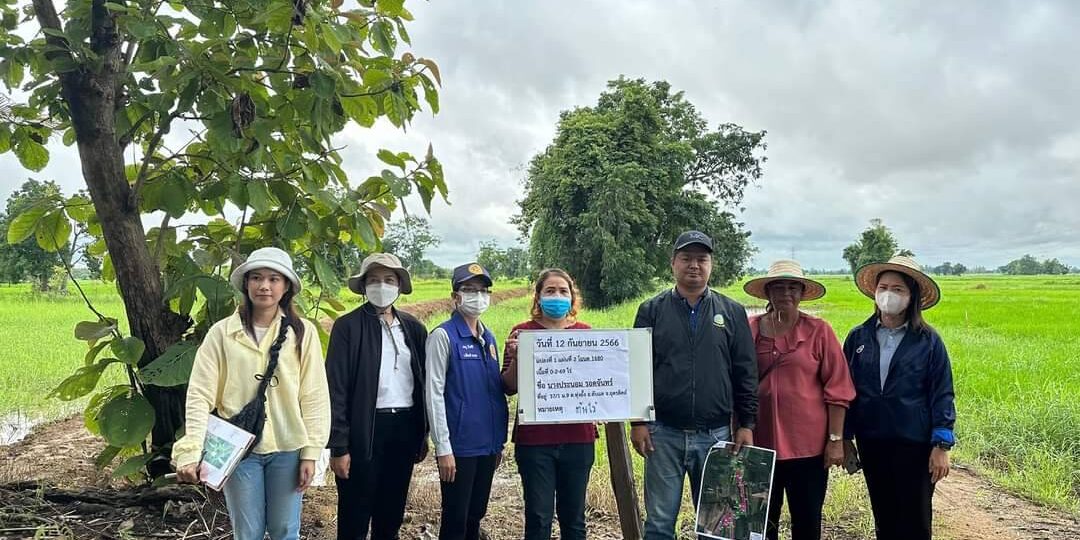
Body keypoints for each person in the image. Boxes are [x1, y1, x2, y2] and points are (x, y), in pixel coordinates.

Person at [174, 247, 330, 540]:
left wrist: (311, 453)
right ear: (246, 283)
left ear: (286, 286)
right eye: (256, 277)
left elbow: (315, 396)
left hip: (288, 445)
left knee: (285, 529)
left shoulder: (302, 333)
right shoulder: (221, 333)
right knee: (247, 532)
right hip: (237, 448)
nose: (264, 286)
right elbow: (199, 394)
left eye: (274, 279)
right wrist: (191, 449)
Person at [630, 230, 759, 540]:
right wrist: (638, 421)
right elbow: (637, 368)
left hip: (716, 435)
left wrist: (747, 423)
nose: (694, 265)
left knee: (718, 528)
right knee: (659, 524)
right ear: (673, 263)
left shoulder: (731, 312)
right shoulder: (651, 310)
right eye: (686, 258)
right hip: (663, 434)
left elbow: (745, 371)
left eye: (702, 259)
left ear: (711, 265)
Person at [843, 255, 956, 540]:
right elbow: (845, 391)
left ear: (911, 296)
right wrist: (844, 437)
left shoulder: (929, 341)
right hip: (872, 441)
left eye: (897, 289)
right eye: (883, 288)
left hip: (914, 443)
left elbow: (942, 393)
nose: (888, 295)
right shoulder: (858, 338)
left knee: (915, 520)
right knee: (884, 515)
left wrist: (941, 444)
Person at [743, 260, 855, 540]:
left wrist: (835, 440)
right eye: (778, 287)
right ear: (768, 292)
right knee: (759, 524)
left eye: (793, 287)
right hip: (758, 444)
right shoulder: (749, 329)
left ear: (802, 293)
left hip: (808, 448)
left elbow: (838, 389)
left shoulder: (819, 331)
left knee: (806, 521)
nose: (786, 293)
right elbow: (735, 380)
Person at [326, 253, 430, 540]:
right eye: (373, 280)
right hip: (364, 429)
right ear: (363, 286)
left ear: (399, 286)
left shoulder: (414, 328)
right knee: (355, 513)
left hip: (404, 428)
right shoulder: (347, 327)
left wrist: (423, 433)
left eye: (388, 280)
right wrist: (339, 446)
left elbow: (423, 384)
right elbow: (336, 389)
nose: (381, 286)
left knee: (391, 511)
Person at [500, 269, 596, 540]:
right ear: (538, 297)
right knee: (538, 518)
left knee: (574, 520)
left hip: (578, 439)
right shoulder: (522, 333)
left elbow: (597, 383)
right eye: (550, 291)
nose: (557, 296)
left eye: (563, 291)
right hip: (535, 441)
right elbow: (508, 386)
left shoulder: (585, 334)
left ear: (572, 297)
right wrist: (517, 358)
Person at [425, 263, 509, 540]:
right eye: (469, 289)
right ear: (455, 296)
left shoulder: (489, 338)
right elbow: (434, 394)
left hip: (487, 445)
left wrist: (497, 443)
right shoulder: (443, 336)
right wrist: (443, 448)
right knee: (456, 517)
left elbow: (493, 391)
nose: (478, 296)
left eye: (483, 290)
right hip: (459, 447)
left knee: (476, 514)